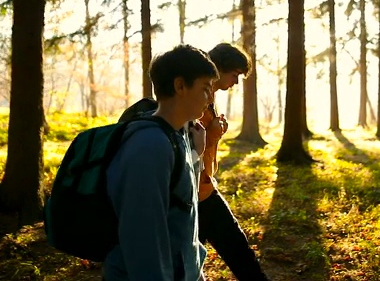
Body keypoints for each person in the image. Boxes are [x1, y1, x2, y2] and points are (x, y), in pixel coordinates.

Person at [102, 44, 218, 280]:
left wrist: (197, 153)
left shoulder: (178, 135)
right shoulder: (149, 146)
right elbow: (144, 239)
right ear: (180, 86)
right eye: (205, 88)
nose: (210, 98)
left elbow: (183, 202)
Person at [197, 43, 270, 281]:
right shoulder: (196, 98)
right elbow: (189, 146)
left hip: (204, 188)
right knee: (236, 250)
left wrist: (215, 132)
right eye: (235, 75)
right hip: (195, 193)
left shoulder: (208, 99)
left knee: (227, 251)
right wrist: (213, 133)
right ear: (219, 68)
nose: (236, 82)